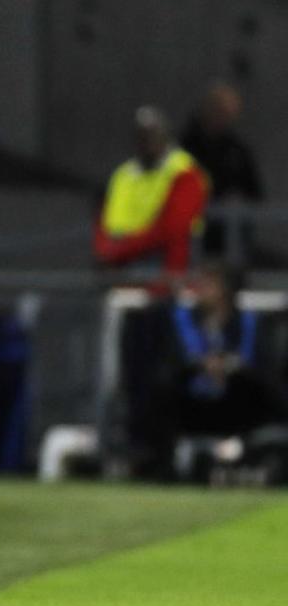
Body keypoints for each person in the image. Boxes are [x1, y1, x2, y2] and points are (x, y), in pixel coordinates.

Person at [130, 261, 288, 479]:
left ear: (226, 290)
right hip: (192, 401)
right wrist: (199, 365)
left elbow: (264, 368)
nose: (200, 290)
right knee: (159, 392)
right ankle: (160, 464)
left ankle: (257, 461)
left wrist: (230, 367)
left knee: (260, 390)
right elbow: (170, 364)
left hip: (236, 402)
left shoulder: (250, 324)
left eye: (208, 284)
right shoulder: (182, 320)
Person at [94, 104, 210, 277]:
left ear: (165, 135)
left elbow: (171, 229)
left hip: (164, 262)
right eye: (142, 135)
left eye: (152, 133)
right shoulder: (123, 175)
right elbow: (104, 223)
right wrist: (104, 252)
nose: (147, 140)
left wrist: (118, 252)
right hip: (120, 265)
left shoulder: (185, 172)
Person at [179, 81, 264, 259]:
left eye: (228, 114)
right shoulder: (185, 148)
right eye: (218, 111)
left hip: (228, 240)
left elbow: (255, 192)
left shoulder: (237, 151)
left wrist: (239, 200)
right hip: (191, 237)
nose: (222, 118)